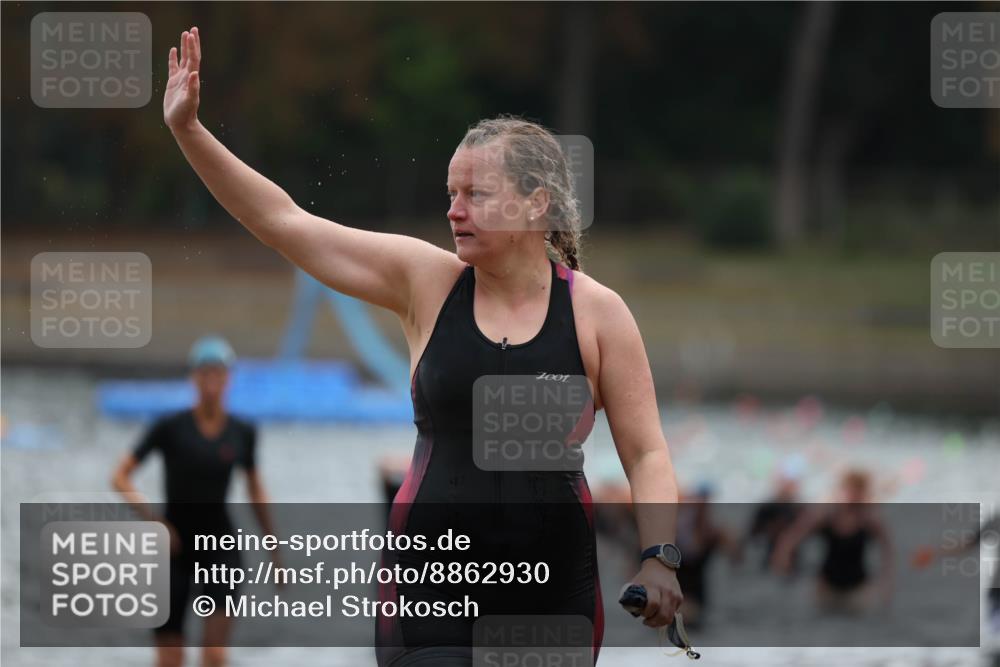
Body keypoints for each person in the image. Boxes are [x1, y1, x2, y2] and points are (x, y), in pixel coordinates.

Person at [162, 27, 683, 667]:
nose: (454, 212)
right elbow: (285, 223)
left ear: (534, 205)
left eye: (475, 196)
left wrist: (660, 557)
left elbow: (647, 451)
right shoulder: (426, 282)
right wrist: (190, 131)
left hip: (552, 588)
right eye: (451, 195)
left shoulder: (598, 314)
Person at [111, 336, 278, 667]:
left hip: (220, 545)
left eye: (218, 374)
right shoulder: (170, 427)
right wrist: (154, 521)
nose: (212, 382)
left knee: (214, 655)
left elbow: (255, 490)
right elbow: (121, 477)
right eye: (205, 374)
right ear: (194, 378)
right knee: (170, 657)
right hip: (173, 547)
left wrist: (274, 550)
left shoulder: (242, 432)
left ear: (229, 379)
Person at [771, 468, 893, 614]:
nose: (852, 496)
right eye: (849, 490)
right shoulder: (825, 516)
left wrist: (886, 582)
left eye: (857, 491)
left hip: (857, 588)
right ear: (841, 491)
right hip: (826, 587)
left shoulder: (869, 520)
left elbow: (888, 551)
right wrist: (783, 559)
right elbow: (792, 537)